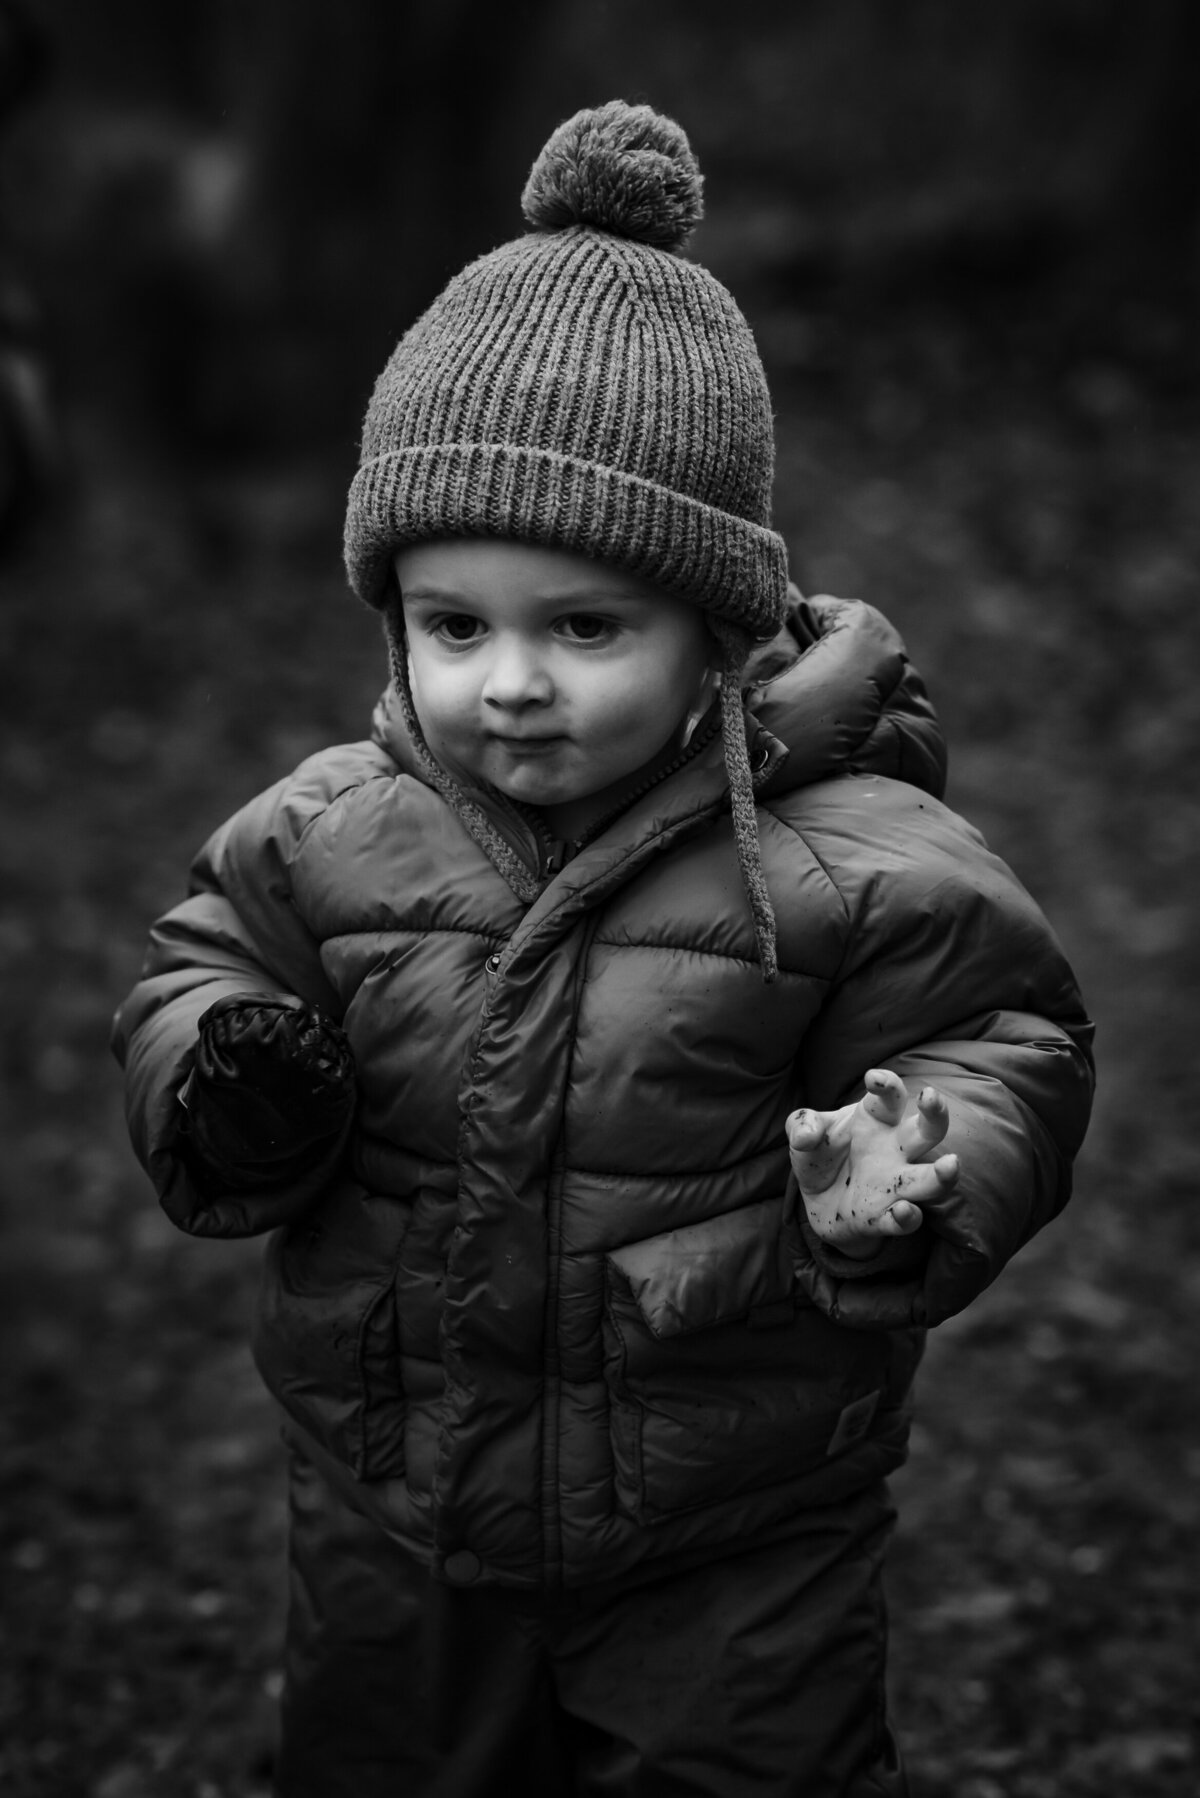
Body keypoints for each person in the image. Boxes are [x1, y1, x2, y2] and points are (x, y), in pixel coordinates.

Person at [112, 101, 1094, 1798]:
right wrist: (227, 1081)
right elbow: (203, 968)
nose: (510, 681)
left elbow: (1003, 1035)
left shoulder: (845, 853)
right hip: (393, 1503)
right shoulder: (327, 829)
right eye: (454, 625)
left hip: (735, 1519)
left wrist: (922, 1159)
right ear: (393, 614)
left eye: (585, 627)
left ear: (715, 632)